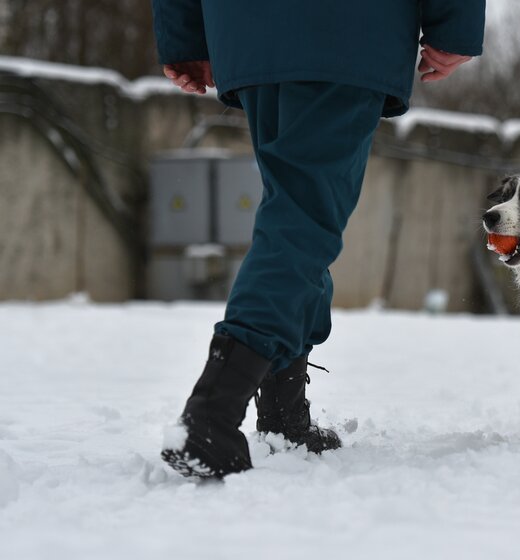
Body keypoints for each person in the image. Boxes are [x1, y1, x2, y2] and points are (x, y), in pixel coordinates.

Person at [153, 1, 486, 478]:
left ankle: (283, 414)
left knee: (294, 211)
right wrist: (454, 25)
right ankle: (212, 413)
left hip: (246, 33)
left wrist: (185, 35)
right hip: (346, 29)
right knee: (303, 218)